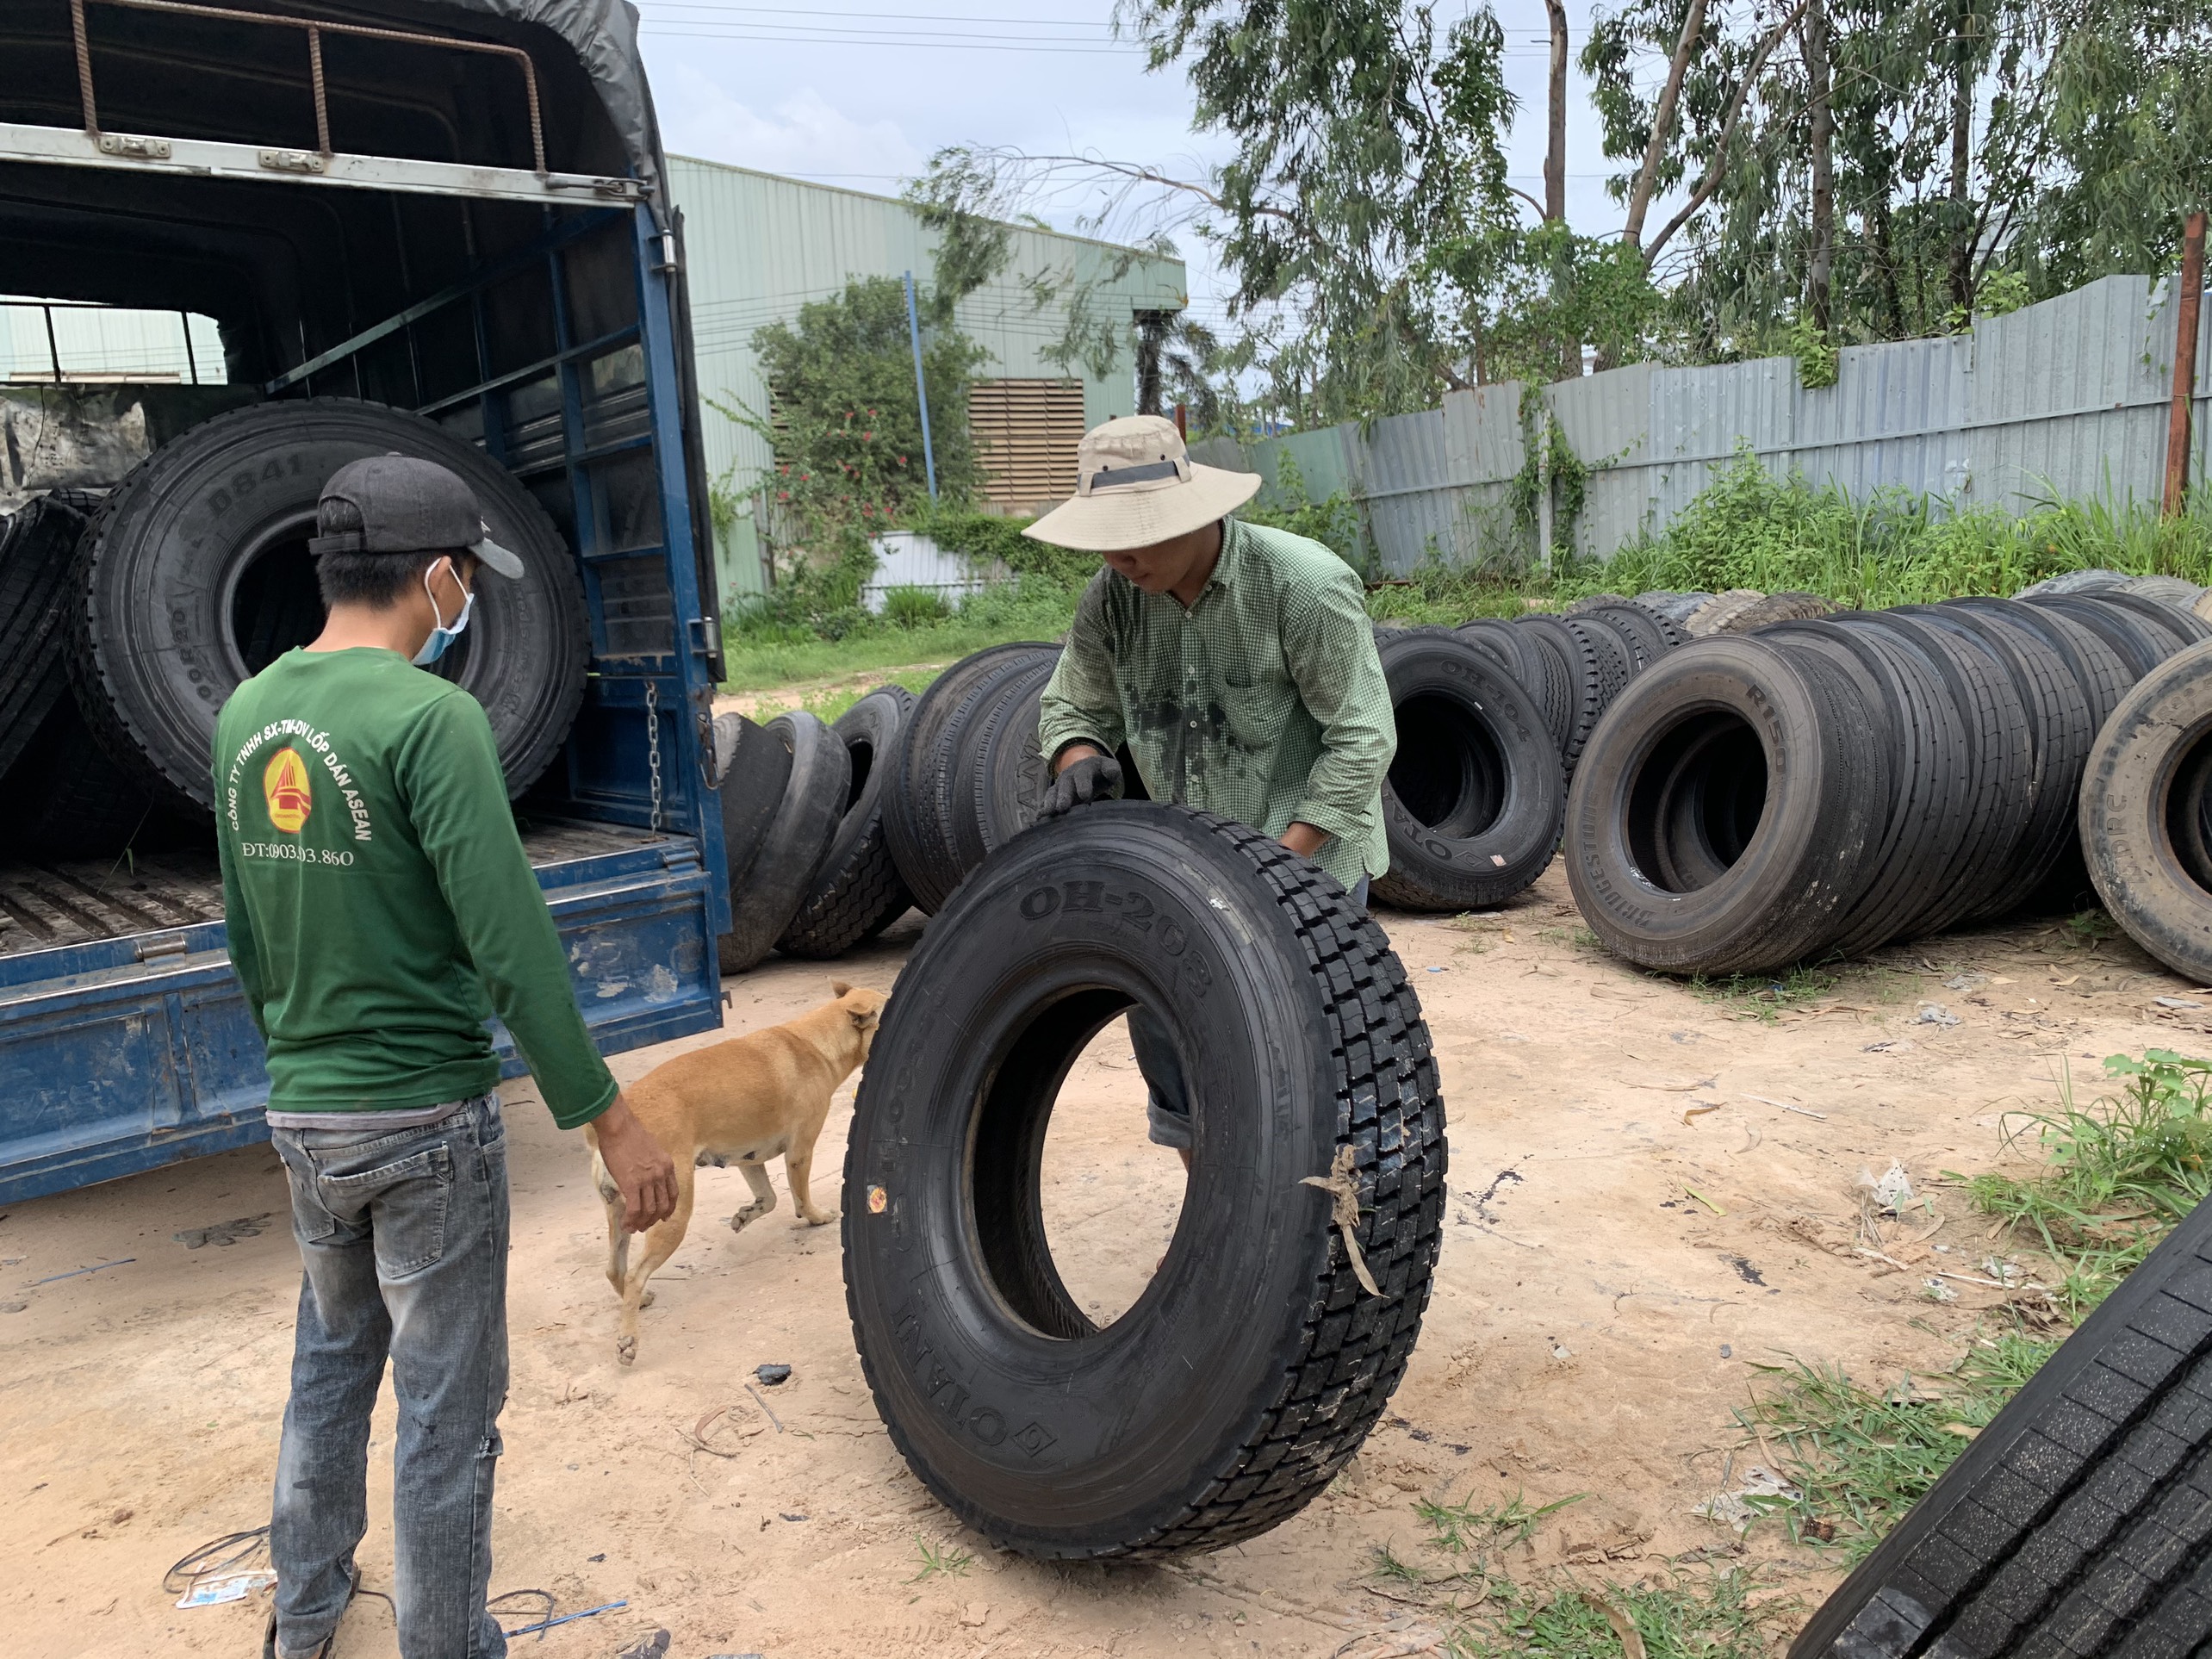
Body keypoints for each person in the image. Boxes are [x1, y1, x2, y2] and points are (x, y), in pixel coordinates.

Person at [215, 455, 679, 1659]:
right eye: (466, 575)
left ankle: (301, 1622)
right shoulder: (433, 719)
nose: (467, 599)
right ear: (435, 574)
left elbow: (246, 938)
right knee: (446, 1412)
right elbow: (512, 943)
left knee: (331, 1366)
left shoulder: (246, 712)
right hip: (425, 1124)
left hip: (307, 1117)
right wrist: (607, 1116)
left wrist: (308, 1071)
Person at [1029, 414, 1395, 1164]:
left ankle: (1323, 1233)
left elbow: (1364, 736)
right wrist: (1077, 759)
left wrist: (1281, 866)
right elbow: (1072, 705)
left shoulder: (1304, 585)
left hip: (1308, 869)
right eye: (1106, 536)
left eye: (1139, 533)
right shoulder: (1114, 598)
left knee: (1308, 1060)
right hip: (1184, 873)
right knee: (1177, 1047)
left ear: (1200, 515)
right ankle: (1217, 1238)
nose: (1120, 556)